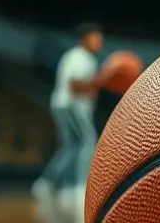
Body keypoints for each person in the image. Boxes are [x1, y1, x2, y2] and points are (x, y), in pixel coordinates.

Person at [32, 23, 108, 211]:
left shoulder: (82, 58)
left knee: (70, 147)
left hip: (65, 105)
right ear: (84, 38)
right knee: (88, 142)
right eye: (95, 36)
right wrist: (103, 80)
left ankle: (46, 185)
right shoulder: (79, 57)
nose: (99, 41)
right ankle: (78, 187)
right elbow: (74, 85)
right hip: (71, 106)